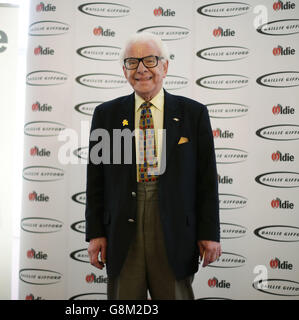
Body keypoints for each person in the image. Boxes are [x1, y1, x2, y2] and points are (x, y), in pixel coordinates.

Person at [85, 32, 221, 300]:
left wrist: (210, 233)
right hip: (123, 229)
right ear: (124, 70)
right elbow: (96, 180)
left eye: (150, 60)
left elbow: (206, 181)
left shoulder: (193, 114)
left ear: (165, 66)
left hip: (173, 228)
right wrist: (96, 232)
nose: (141, 69)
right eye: (132, 62)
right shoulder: (107, 115)